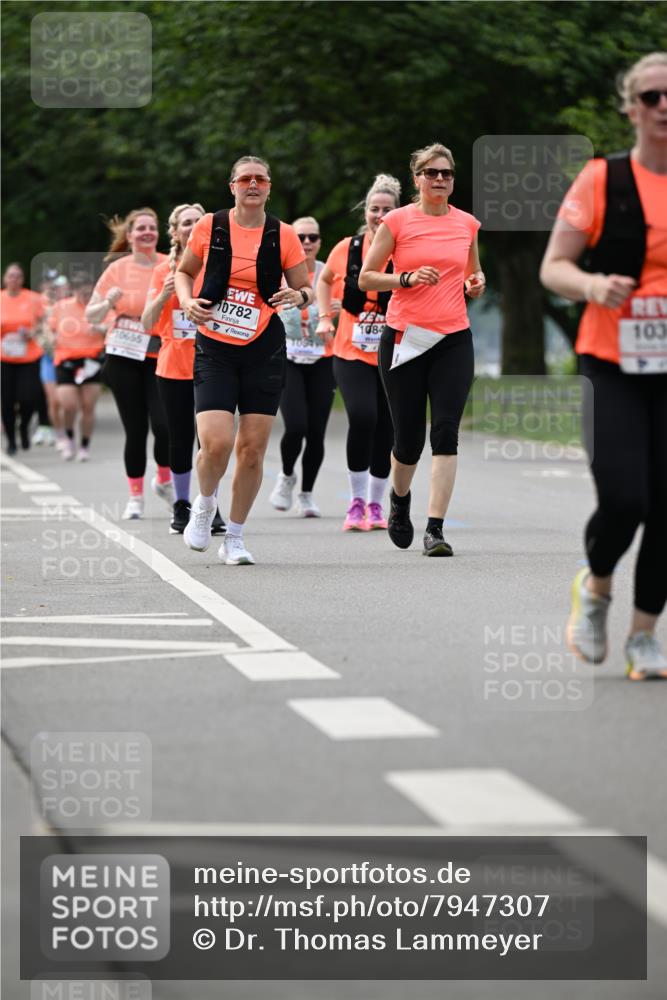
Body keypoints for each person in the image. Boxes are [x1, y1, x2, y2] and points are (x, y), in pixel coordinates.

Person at [541, 52, 667, 680]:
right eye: (652, 96)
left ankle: (645, 637)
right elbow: (553, 267)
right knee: (625, 496)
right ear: (631, 108)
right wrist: (593, 287)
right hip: (613, 358)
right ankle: (595, 591)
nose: (664, 106)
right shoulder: (601, 179)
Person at [175, 155, 312, 565]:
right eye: (245, 179)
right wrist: (186, 300)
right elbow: (184, 273)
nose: (253, 184)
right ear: (231, 185)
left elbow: (305, 289)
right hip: (215, 344)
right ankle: (204, 503)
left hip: (263, 347)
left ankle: (234, 536)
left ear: (269, 187)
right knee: (216, 443)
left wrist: (297, 297)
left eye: (261, 179)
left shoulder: (283, 234)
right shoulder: (210, 226)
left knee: (251, 450)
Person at [359, 144, 485, 556]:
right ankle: (399, 500)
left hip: (453, 338)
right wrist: (407, 279)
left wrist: (475, 285)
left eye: (446, 173)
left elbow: (472, 273)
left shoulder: (467, 224)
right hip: (404, 338)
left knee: (445, 432)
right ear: (416, 178)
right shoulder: (396, 221)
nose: (439, 179)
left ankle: (435, 529)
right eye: (431, 173)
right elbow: (367, 278)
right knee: (408, 439)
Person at [315, 175, 400, 531]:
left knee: (386, 428)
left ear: (398, 214)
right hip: (350, 351)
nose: (379, 215)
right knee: (363, 417)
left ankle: (377, 505)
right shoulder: (347, 248)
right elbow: (323, 279)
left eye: (387, 210)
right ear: (365, 212)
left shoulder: (405, 250)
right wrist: (323, 317)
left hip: (393, 351)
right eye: (374, 209)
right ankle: (356, 502)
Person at [142, 202, 225, 536]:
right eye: (186, 223)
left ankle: (210, 504)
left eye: (198, 222)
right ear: (175, 232)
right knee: (179, 436)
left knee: (213, 440)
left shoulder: (220, 264)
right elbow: (147, 322)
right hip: (174, 364)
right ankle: (180, 503)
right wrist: (163, 296)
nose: (192, 227)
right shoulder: (164, 271)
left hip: (215, 361)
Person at [86, 208, 172, 520]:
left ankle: (164, 479)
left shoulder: (169, 264)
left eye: (152, 227)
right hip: (123, 355)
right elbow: (90, 316)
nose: (147, 232)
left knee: (164, 426)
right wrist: (109, 301)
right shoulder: (117, 270)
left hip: (160, 353)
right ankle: (135, 497)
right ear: (130, 235)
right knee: (135, 430)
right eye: (141, 229)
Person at [270, 216, 336, 517]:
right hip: (289, 359)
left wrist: (338, 310)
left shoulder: (329, 274)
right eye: (301, 238)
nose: (307, 243)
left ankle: (307, 494)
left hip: (324, 359)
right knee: (295, 425)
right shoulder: (278, 275)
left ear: (320, 241)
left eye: (312, 237)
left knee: (316, 431)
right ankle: (286, 476)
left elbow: (352, 310)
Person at [49, 275, 106, 461]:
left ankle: (84, 445)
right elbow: (49, 329)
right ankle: (69, 439)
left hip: (91, 362)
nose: (86, 296)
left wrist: (100, 329)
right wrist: (49, 340)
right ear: (74, 291)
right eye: (82, 292)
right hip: (66, 361)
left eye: (89, 292)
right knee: (69, 405)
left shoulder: (101, 307)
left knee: (88, 406)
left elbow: (113, 327)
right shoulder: (61, 307)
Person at [1, 263, 45, 455]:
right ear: (5, 279)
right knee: (7, 401)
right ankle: (11, 441)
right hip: (5, 358)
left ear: (22, 279)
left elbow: (44, 322)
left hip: (29, 356)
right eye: (11, 276)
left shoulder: (33, 299)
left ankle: (24, 427)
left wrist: (32, 332)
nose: (14, 279)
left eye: (18, 276)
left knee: (29, 398)